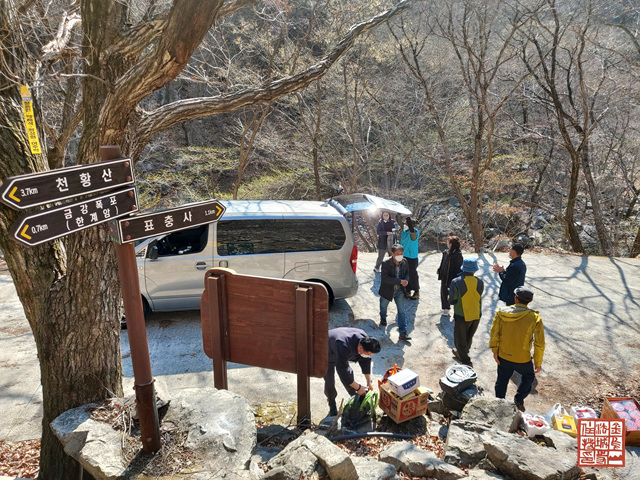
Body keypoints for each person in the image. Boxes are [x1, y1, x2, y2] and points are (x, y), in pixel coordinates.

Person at [489, 286, 545, 412]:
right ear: (529, 301)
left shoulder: (501, 312)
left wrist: (495, 350)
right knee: (529, 376)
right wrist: (538, 362)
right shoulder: (535, 318)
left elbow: (494, 333)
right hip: (522, 358)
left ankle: (499, 402)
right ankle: (519, 399)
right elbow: (539, 343)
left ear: (515, 298)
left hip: (504, 355)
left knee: (501, 380)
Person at [324, 327, 381, 416]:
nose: (369, 356)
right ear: (361, 348)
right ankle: (332, 404)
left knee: (350, 374)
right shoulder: (343, 344)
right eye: (368, 354)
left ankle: (355, 398)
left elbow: (365, 360)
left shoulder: (364, 339)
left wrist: (368, 381)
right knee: (329, 380)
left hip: (340, 350)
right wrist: (358, 387)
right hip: (326, 351)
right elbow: (342, 370)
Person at [449, 258, 484, 367]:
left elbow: (453, 300)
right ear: (475, 270)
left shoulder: (456, 282)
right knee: (469, 337)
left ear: (463, 268)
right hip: (476, 314)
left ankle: (466, 361)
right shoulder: (480, 282)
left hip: (462, 315)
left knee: (460, 339)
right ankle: (461, 353)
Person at [379, 244, 411, 341]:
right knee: (383, 306)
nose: (400, 255)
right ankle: (383, 317)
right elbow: (385, 278)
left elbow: (407, 274)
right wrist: (400, 281)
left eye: (401, 253)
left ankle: (403, 332)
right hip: (387, 290)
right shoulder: (385, 263)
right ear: (392, 254)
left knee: (402, 311)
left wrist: (406, 280)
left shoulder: (405, 262)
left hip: (400, 290)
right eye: (397, 253)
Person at [437, 235, 463, 315]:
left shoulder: (458, 255)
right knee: (444, 292)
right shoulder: (446, 252)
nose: (447, 244)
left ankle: (457, 309)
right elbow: (442, 263)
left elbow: (459, 268)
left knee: (454, 294)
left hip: (453, 277)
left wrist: (458, 278)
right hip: (445, 276)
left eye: (449, 242)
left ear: (452, 244)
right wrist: (440, 270)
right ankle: (446, 308)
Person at [399, 216, 420, 300]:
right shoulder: (404, 231)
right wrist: (398, 214)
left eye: (406, 223)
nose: (405, 224)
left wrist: (408, 218)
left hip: (412, 257)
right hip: (404, 256)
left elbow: (411, 229)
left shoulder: (414, 232)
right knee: (405, 274)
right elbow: (400, 222)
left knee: (413, 274)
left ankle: (416, 291)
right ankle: (407, 290)